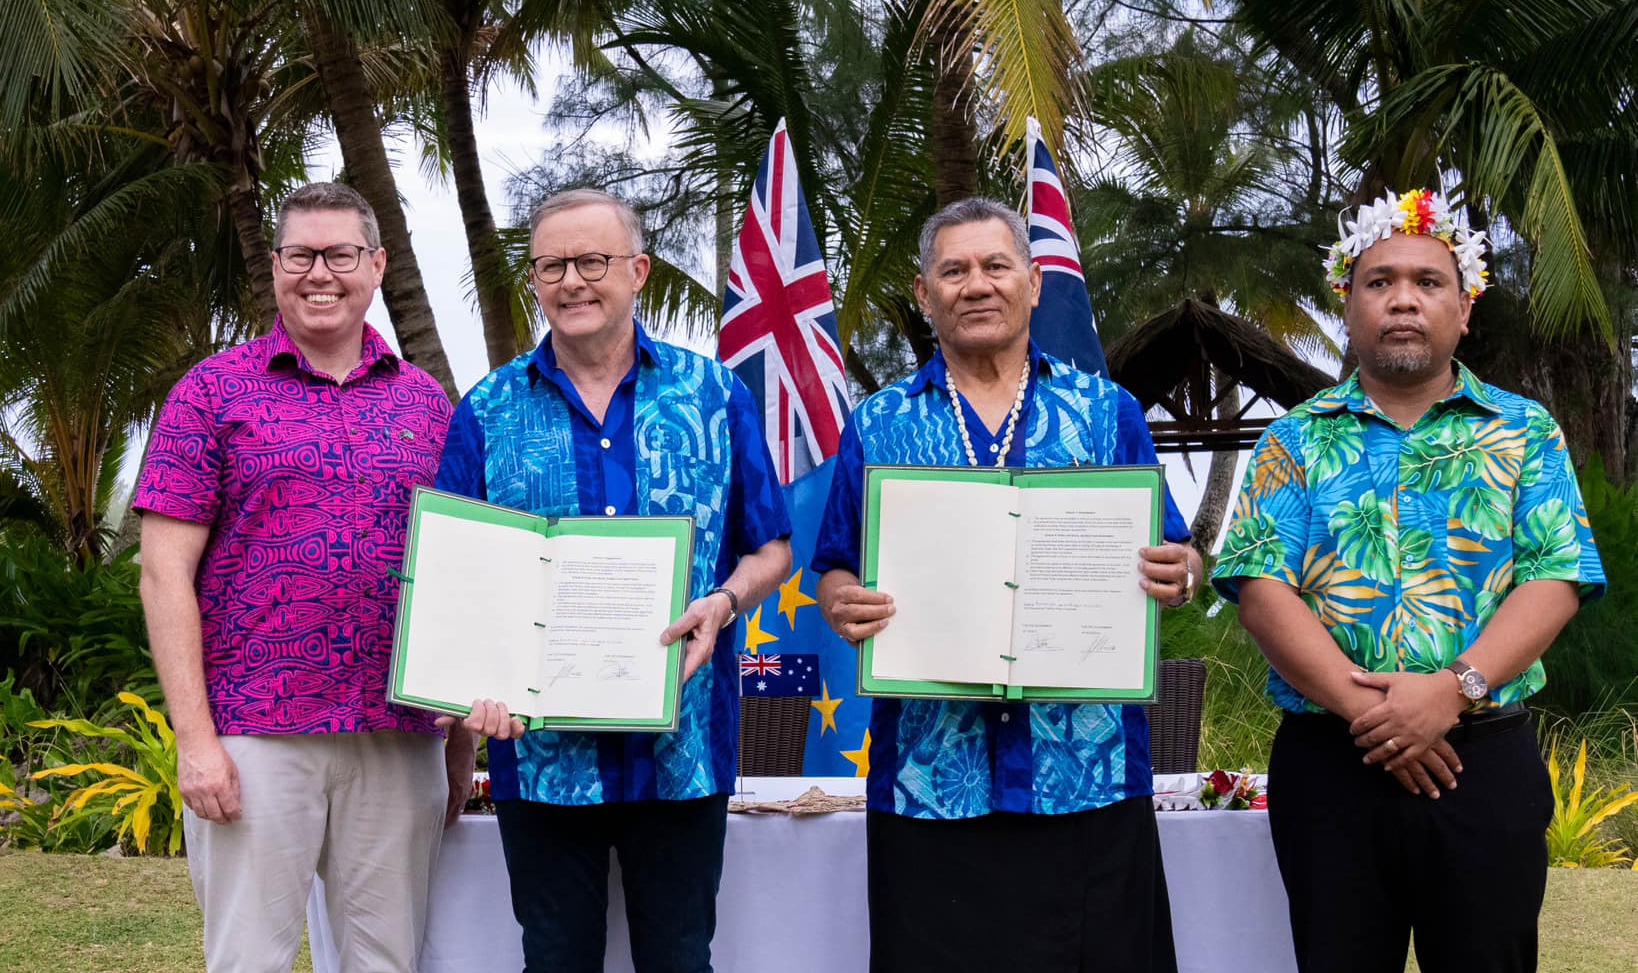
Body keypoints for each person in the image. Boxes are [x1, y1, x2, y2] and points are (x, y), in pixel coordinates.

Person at [1211, 186, 1605, 973]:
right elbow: (1260, 587)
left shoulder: (1524, 431)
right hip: (1332, 768)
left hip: (1482, 762)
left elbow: (1556, 575)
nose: (1403, 300)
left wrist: (1449, 690)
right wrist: (1378, 713)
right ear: (1347, 307)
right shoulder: (1292, 441)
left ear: (1465, 309)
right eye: (1379, 281)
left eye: (1428, 283)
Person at [812, 197, 1199, 973]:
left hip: (1084, 777)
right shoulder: (880, 421)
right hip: (931, 781)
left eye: (996, 266)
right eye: (953, 270)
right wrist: (841, 599)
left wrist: (1180, 574)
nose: (976, 284)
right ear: (925, 296)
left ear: (1033, 284)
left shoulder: (1104, 412)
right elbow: (835, 563)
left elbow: (1181, 554)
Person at [435, 188, 792, 973]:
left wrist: (725, 601)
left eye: (592, 261)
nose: (572, 281)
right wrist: (469, 694)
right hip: (540, 756)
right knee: (556, 960)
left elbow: (771, 548)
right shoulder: (487, 411)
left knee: (680, 960)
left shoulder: (713, 395)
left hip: (682, 749)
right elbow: (453, 578)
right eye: (552, 265)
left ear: (638, 272)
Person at [136, 181, 472, 971]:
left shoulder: (428, 405)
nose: (320, 272)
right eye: (301, 254)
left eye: (341, 254)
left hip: (397, 735)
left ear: (378, 264)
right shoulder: (210, 393)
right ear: (277, 265)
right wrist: (195, 741)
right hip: (254, 734)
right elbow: (162, 577)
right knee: (248, 958)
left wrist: (456, 745)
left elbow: (459, 573)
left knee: (386, 959)